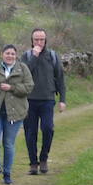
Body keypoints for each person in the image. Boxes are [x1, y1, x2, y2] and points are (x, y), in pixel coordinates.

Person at [0, 44, 34, 185]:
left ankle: (7, 173)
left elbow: (29, 87)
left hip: (16, 112)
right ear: (2, 54)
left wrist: (12, 88)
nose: (10, 56)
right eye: (7, 53)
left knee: (8, 143)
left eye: (12, 54)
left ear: (16, 55)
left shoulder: (22, 68)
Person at [23, 28, 67, 176]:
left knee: (48, 129)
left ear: (46, 40)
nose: (39, 42)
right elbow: (24, 74)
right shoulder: (26, 56)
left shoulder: (53, 56)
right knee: (30, 133)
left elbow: (60, 78)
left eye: (42, 39)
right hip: (28, 100)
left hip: (48, 99)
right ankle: (33, 163)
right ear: (32, 40)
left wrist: (62, 100)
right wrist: (34, 56)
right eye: (36, 39)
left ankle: (43, 159)